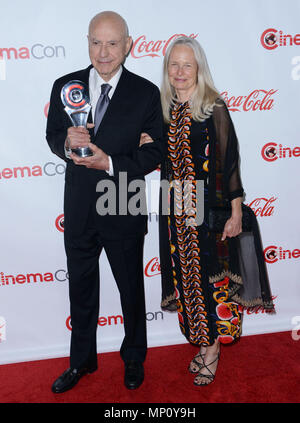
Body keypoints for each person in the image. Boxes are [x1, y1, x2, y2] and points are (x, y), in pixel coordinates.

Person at [140, 36, 274, 386]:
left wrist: (234, 212)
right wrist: (147, 143)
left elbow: (230, 164)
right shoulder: (163, 109)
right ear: (166, 69)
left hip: (209, 213)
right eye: (174, 64)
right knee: (187, 282)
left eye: (187, 64)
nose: (180, 71)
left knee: (211, 281)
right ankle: (202, 341)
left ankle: (212, 349)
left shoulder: (213, 107)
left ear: (199, 69)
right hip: (176, 209)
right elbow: (160, 157)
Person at [46, 11, 163, 393]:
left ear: (128, 45)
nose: (104, 51)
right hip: (80, 205)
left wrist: (109, 162)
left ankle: (133, 359)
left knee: (131, 289)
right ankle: (81, 363)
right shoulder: (66, 86)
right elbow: (52, 135)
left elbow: (154, 154)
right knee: (80, 289)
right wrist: (66, 142)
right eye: (96, 42)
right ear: (88, 42)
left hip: (122, 198)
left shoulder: (146, 93)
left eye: (113, 43)